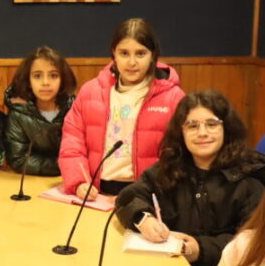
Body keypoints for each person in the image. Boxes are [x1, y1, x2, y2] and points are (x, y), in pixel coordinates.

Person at [114, 90, 265, 266]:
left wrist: (199, 249)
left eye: (211, 124)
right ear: (181, 132)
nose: (202, 133)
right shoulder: (172, 166)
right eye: (192, 126)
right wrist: (143, 218)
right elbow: (128, 197)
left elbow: (252, 242)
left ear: (226, 129)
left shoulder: (247, 180)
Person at [59, 18, 184, 198]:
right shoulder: (90, 92)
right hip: (96, 194)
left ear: (153, 55)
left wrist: (156, 190)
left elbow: (178, 153)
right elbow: (72, 141)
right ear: (114, 54)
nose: (131, 62)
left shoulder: (173, 98)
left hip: (149, 195)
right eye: (124, 53)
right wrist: (79, 181)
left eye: (140, 53)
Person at [4, 46, 76, 176]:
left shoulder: (75, 109)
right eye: (37, 76)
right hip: (30, 180)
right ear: (28, 81)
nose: (45, 82)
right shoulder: (18, 113)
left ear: (62, 79)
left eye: (53, 75)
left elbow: (82, 153)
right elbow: (18, 160)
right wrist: (62, 165)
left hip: (73, 179)